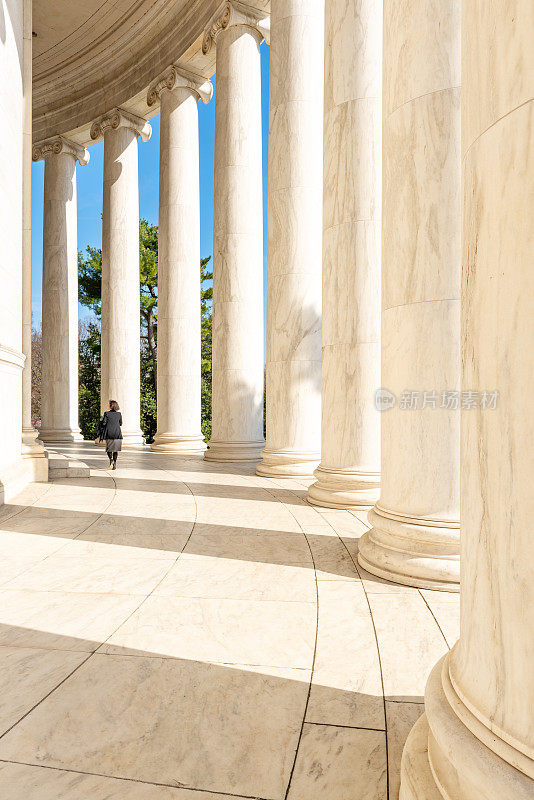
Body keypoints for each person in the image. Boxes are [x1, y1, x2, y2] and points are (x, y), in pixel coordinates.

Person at [101, 400, 123, 470]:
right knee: (115, 450)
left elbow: (104, 423)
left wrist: (102, 420)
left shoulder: (106, 413)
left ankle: (111, 459)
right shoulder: (119, 414)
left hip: (109, 433)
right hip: (117, 433)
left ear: (111, 406)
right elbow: (120, 423)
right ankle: (115, 463)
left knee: (109, 449)